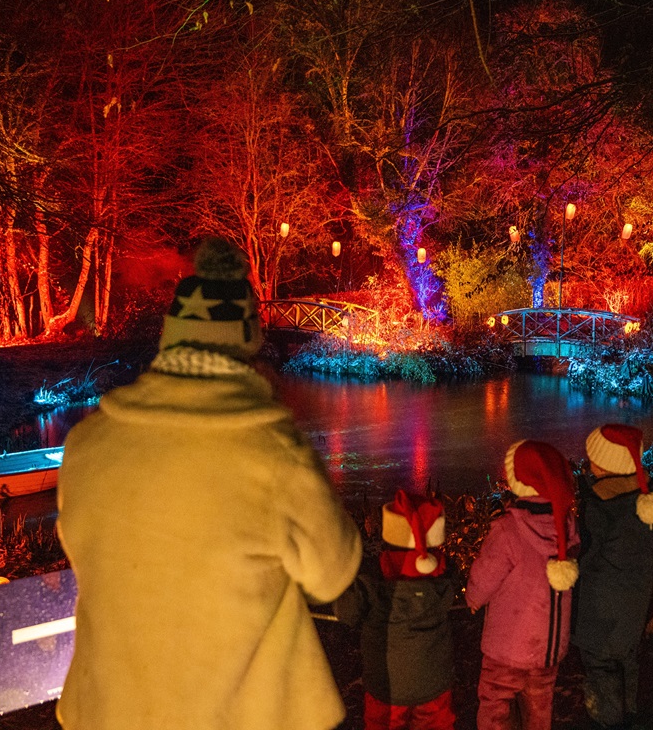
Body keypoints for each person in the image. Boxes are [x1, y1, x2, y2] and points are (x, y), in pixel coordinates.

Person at [56, 238, 362, 730]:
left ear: (169, 337)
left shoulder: (86, 443)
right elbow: (332, 572)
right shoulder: (273, 454)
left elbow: (82, 552)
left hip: (109, 709)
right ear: (249, 341)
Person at [466, 439, 580, 730]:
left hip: (507, 646)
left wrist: (472, 598)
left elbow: (485, 576)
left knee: (496, 702)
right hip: (548, 649)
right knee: (539, 706)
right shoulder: (565, 525)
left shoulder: (509, 530)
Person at [334, 489, 458, 730]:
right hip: (434, 683)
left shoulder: (371, 578)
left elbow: (346, 612)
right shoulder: (444, 576)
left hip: (385, 685)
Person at [572, 424, 653, 729]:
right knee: (627, 660)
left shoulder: (604, 507)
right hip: (632, 604)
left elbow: (587, 557)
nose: (589, 464)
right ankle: (630, 714)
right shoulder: (643, 501)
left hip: (600, 610)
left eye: (594, 460)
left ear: (610, 466)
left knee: (601, 669)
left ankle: (607, 722)